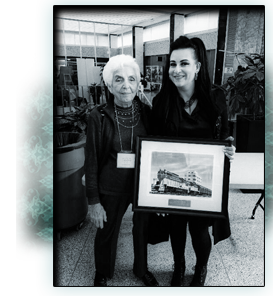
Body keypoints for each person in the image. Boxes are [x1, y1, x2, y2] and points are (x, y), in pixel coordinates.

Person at [150, 36, 235, 287]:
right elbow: (155, 146)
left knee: (199, 230)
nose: (176, 70)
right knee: (176, 227)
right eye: (172, 64)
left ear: (197, 67)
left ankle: (201, 267)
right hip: (175, 181)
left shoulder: (216, 98)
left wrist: (229, 148)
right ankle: (179, 266)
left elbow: (225, 136)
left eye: (184, 63)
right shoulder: (161, 102)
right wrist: (154, 194)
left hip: (204, 181)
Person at [84, 54, 159, 287]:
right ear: (109, 84)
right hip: (111, 185)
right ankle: (103, 271)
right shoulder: (98, 117)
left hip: (141, 186)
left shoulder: (148, 113)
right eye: (118, 80)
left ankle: (141, 269)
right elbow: (92, 161)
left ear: (139, 83)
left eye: (131, 79)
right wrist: (94, 202)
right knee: (106, 230)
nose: (126, 85)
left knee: (142, 230)